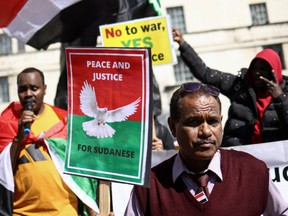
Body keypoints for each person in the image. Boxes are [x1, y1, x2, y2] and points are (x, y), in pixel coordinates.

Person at [124, 82, 288, 215]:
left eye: (213, 121)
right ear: (173, 127)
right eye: (194, 122)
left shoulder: (253, 171)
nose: (206, 132)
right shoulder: (149, 188)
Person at [0, 67, 100, 215]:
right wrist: (18, 138)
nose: (28, 94)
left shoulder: (63, 121)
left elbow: (82, 170)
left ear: (45, 89)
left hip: (65, 212)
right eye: (23, 89)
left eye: (34, 88)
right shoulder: (7, 123)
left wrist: (93, 211)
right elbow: (3, 170)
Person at [173, 28, 288, 147]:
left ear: (274, 72)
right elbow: (205, 73)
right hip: (238, 155)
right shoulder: (238, 86)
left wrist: (280, 98)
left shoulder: (284, 94)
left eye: (262, 69)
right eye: (254, 69)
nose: (257, 73)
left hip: (275, 159)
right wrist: (183, 44)